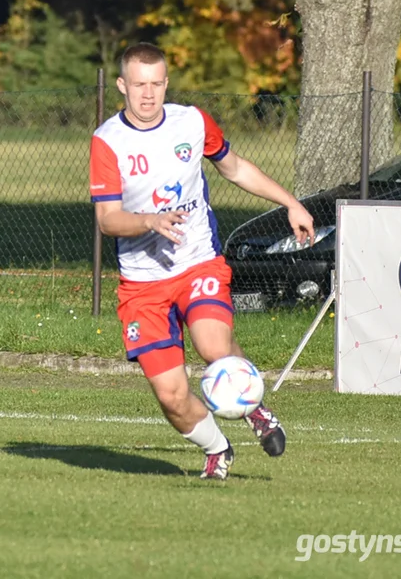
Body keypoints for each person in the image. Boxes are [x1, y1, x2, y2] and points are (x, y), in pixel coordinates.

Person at [89, 42, 315, 480]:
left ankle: (254, 407)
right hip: (142, 284)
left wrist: (290, 202)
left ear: (166, 83)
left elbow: (234, 168)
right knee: (171, 396)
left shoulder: (191, 121)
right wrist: (148, 221)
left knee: (213, 346)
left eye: (156, 84)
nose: (148, 94)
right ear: (122, 86)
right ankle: (217, 449)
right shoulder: (107, 142)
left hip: (198, 262)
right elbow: (107, 220)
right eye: (138, 85)